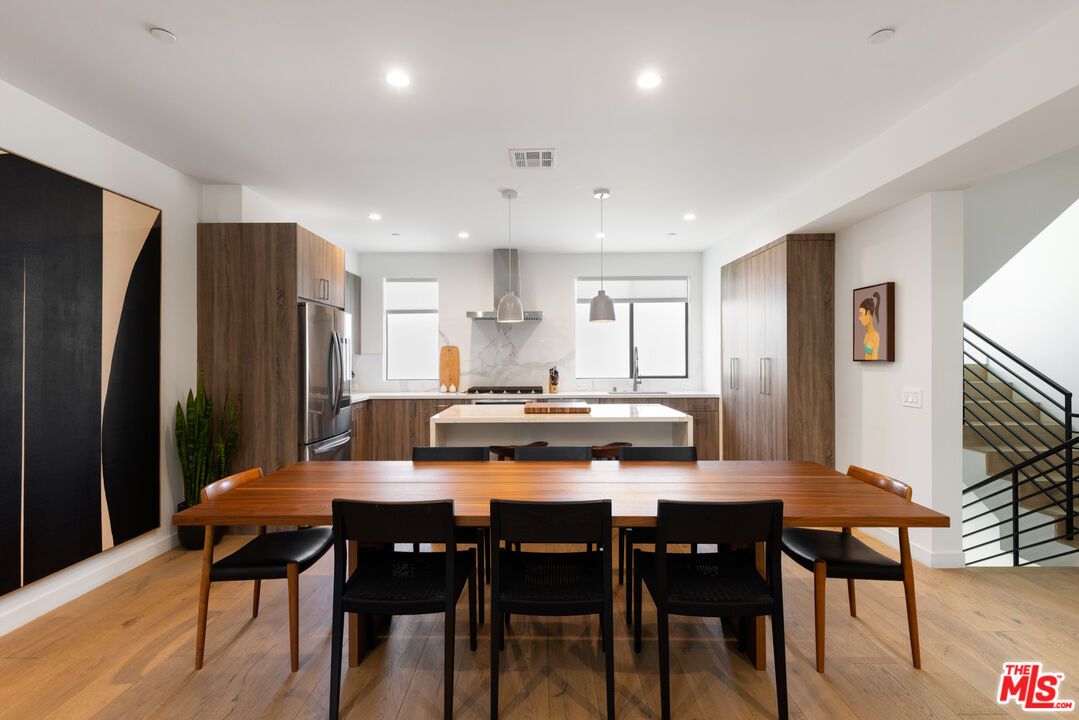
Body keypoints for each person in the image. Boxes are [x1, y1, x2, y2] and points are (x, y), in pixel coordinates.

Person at [858, 292, 881, 360]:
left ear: (868, 313)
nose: (859, 318)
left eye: (861, 314)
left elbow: (874, 358)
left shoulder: (876, 336)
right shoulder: (866, 334)